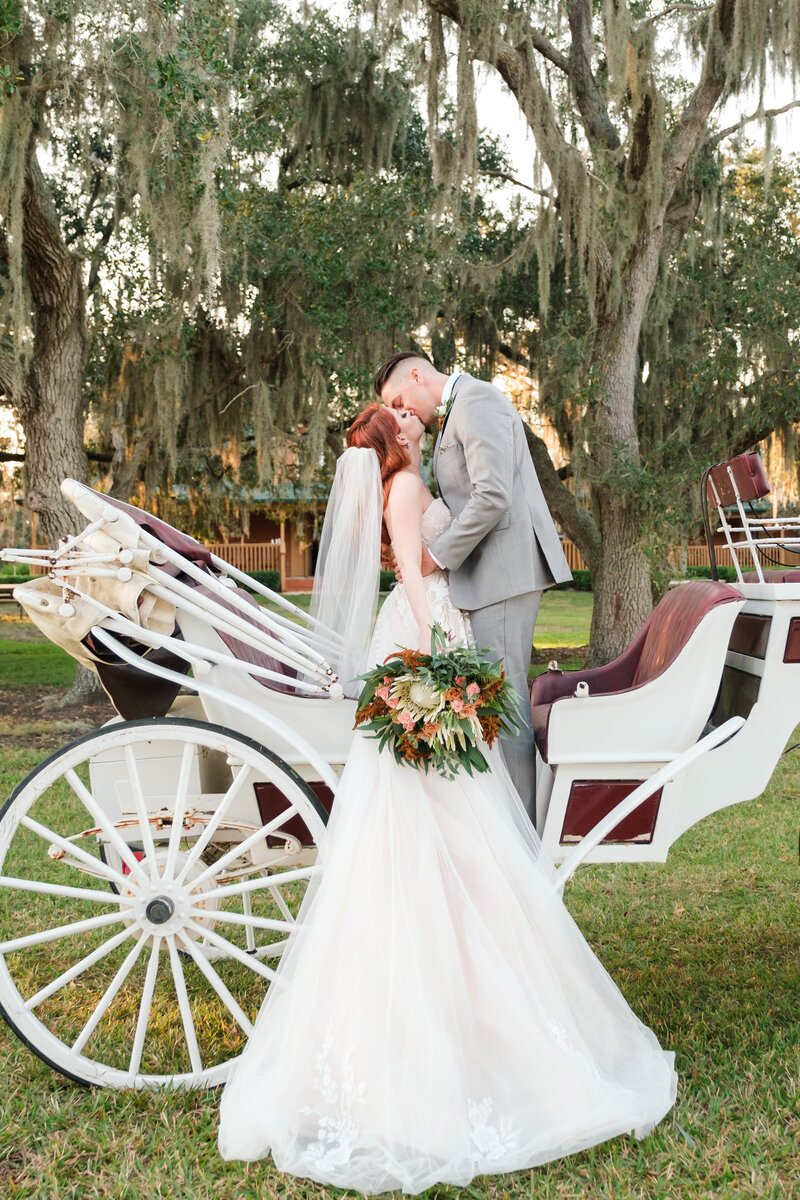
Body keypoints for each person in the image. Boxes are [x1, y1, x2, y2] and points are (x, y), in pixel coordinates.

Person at [217, 402, 676, 1194]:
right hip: (424, 640)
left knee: (452, 819)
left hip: (431, 635)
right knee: (440, 817)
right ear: (388, 440)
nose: (412, 417)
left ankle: (470, 972)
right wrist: (437, 663)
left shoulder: (410, 478)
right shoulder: (400, 491)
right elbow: (411, 569)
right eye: (399, 415)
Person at [376, 352, 571, 820]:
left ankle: (522, 835)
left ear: (418, 376)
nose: (402, 412)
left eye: (400, 399)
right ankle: (508, 825)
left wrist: (435, 555)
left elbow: (493, 494)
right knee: (496, 703)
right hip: (484, 576)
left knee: (505, 707)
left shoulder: (477, 400)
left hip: (502, 573)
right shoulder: (453, 415)